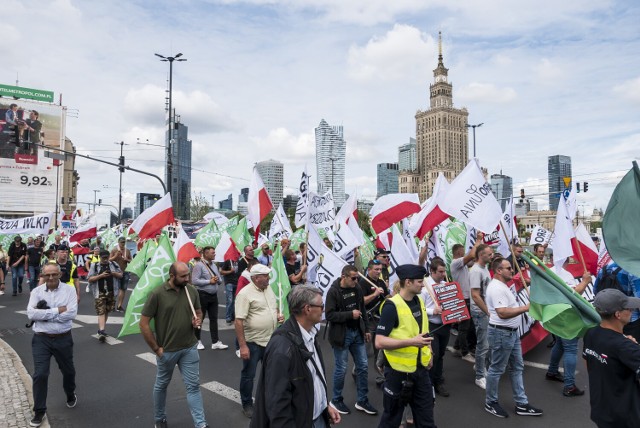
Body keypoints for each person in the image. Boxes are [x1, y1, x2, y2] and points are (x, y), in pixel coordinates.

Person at [251, 285, 341, 428]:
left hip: (316, 418)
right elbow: (278, 405)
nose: (323, 309)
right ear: (307, 309)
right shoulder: (282, 348)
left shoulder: (310, 334)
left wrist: (324, 407)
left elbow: (312, 381)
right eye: (321, 305)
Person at [140, 262, 209, 428]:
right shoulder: (157, 294)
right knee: (162, 385)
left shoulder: (191, 290)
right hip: (167, 351)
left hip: (189, 347)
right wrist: (157, 349)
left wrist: (197, 320)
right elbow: (144, 323)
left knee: (193, 386)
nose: (188, 278)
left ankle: (201, 424)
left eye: (188, 275)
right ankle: (160, 419)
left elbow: (198, 312)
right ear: (172, 276)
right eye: (183, 276)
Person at [376, 264, 436, 428]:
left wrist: (429, 351)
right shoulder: (391, 306)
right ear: (407, 282)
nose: (423, 285)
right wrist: (411, 342)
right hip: (397, 373)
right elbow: (379, 341)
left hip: (421, 370)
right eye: (419, 281)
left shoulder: (419, 301)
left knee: (426, 419)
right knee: (391, 419)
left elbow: (423, 330)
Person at [484, 257, 542, 418]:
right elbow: (502, 313)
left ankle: (521, 403)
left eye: (511, 267)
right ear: (498, 270)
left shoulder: (503, 286)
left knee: (517, 367)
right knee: (496, 369)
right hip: (502, 333)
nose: (512, 270)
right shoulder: (496, 288)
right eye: (508, 268)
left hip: (511, 333)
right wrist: (526, 307)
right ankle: (491, 402)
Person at [26, 263, 78, 427]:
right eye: (47, 275)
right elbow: (31, 313)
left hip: (63, 338)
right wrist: (56, 311)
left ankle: (70, 393)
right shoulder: (36, 292)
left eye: (54, 274)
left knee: (68, 371)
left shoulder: (69, 290)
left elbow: (71, 314)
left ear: (60, 274)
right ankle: (39, 411)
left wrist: (44, 315)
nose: (50, 278)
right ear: (42, 275)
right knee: (40, 374)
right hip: (41, 338)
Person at [583, 288, 640, 427]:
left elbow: (589, 365)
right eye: (628, 308)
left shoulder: (591, 333)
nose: (631, 311)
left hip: (601, 410)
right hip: (626, 418)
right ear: (618, 314)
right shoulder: (625, 347)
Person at [326, 265, 377, 416]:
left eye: (357, 278)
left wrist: (366, 329)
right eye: (353, 278)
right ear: (344, 277)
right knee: (341, 368)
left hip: (357, 333)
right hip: (341, 335)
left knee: (363, 366)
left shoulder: (357, 288)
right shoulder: (334, 291)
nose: (356, 281)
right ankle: (336, 399)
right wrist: (349, 315)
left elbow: (362, 310)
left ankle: (362, 399)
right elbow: (329, 315)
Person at [235, 264, 284, 418]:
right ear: (256, 278)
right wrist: (243, 346)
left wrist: (277, 315)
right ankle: (247, 404)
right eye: (266, 276)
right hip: (253, 342)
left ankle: (269, 401)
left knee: (272, 373)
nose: (269, 278)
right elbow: (238, 321)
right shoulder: (244, 294)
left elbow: (272, 307)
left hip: (271, 340)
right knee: (249, 375)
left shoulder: (268, 288)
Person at [545, 260, 592, 396]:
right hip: (566, 316)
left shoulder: (549, 271)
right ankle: (569, 386)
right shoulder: (564, 274)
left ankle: (552, 371)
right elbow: (573, 295)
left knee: (560, 344)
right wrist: (584, 282)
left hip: (556, 314)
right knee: (571, 349)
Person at [421, 258, 451, 397]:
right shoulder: (424, 286)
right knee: (435, 354)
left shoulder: (446, 284)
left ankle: (438, 380)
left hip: (445, 324)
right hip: (432, 325)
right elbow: (420, 307)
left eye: (444, 271)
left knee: (441, 355)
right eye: (440, 272)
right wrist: (433, 311)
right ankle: (430, 383)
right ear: (432, 271)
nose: (443, 274)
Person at [359, 259, 389, 385]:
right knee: (364, 352)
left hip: (379, 320)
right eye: (376, 269)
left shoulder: (381, 282)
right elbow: (361, 301)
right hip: (368, 321)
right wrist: (375, 294)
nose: (378, 272)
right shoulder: (362, 282)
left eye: (380, 269)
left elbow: (387, 297)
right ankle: (358, 372)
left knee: (379, 350)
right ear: (369, 269)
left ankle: (381, 376)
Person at [191, 246, 227, 350]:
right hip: (202, 295)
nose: (214, 254)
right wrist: (208, 281)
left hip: (213, 296)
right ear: (205, 254)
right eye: (212, 253)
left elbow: (219, 279)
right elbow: (194, 281)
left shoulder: (214, 266)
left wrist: (217, 279)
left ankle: (215, 342)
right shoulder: (199, 266)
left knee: (213, 319)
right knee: (200, 319)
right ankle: (197, 341)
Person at [469, 243, 493, 389]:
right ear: (481, 255)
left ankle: (480, 365)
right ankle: (479, 376)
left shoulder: (484, 269)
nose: (492, 256)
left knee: (487, 343)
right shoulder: (476, 271)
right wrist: (488, 311)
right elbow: (476, 296)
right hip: (480, 312)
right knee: (483, 345)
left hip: (484, 310)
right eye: (489, 254)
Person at [451, 239, 480, 358]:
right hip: (463, 298)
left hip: (467, 298)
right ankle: (464, 352)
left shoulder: (461, 263)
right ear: (458, 252)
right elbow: (472, 255)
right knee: (464, 327)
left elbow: (474, 260)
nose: (465, 252)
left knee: (469, 325)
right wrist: (477, 240)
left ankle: (457, 346)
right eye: (463, 251)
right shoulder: (456, 262)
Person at [87, 250, 123, 341]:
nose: (106, 259)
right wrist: (101, 276)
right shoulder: (94, 266)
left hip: (111, 291)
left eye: (107, 257)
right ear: (100, 257)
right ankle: (102, 330)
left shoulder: (113, 264)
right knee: (101, 311)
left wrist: (114, 273)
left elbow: (121, 275)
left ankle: (101, 330)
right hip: (100, 292)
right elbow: (90, 279)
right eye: (103, 258)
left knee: (107, 310)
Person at [109, 237, 132, 312]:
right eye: (121, 242)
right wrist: (115, 256)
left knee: (123, 289)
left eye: (124, 242)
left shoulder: (127, 251)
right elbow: (109, 260)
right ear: (118, 242)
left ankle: (119, 305)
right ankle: (112, 305)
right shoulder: (114, 250)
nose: (122, 244)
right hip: (115, 272)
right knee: (115, 289)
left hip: (125, 272)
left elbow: (131, 261)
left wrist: (127, 259)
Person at [220, 256, 239, 326]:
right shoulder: (228, 261)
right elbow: (221, 271)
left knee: (235, 301)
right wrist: (230, 271)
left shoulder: (238, 261)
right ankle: (228, 317)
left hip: (236, 282)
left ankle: (233, 317)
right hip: (229, 283)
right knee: (230, 300)